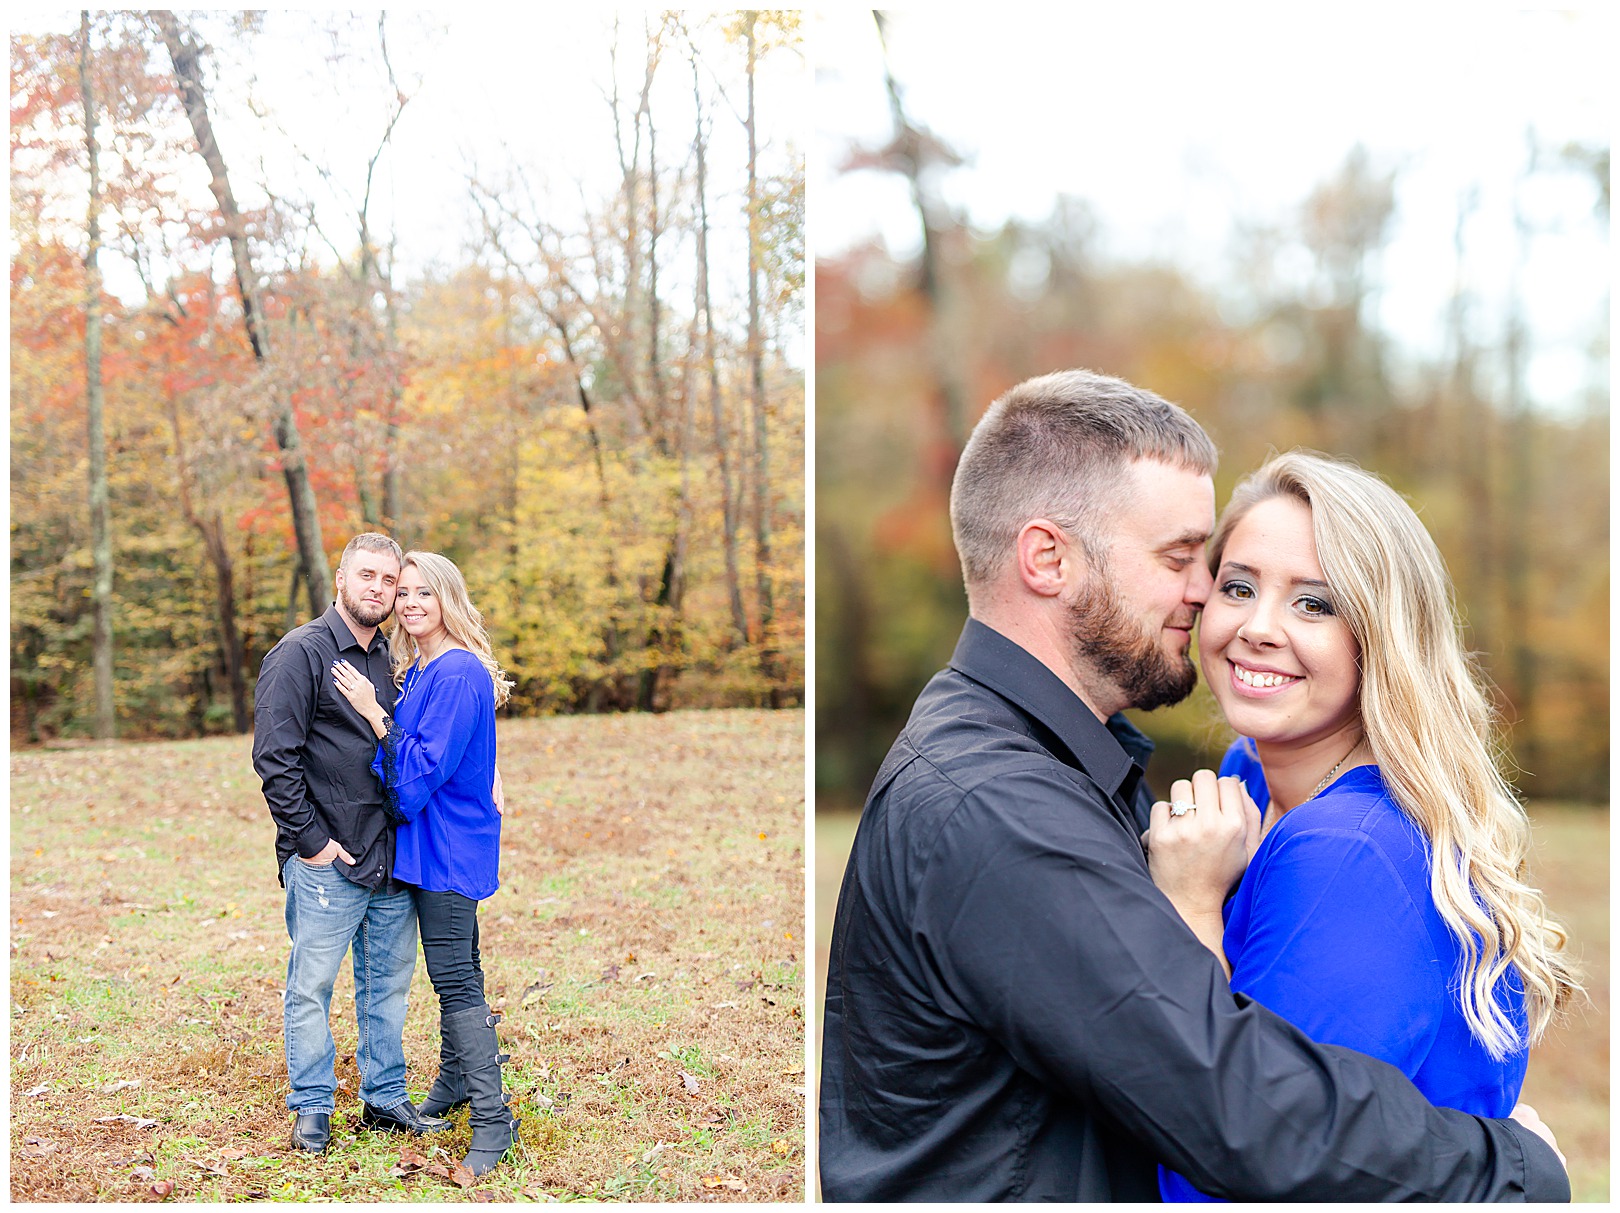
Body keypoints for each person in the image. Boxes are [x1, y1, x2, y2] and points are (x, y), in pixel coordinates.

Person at [818, 369, 1568, 1201]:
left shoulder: (1302, 829)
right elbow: (1239, 1116)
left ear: (1379, 635)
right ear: (1047, 557)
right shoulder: (1008, 808)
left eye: (1314, 602)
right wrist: (1515, 1171)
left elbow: (1243, 1136)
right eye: (1198, 564)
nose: (1214, 599)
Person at [1148, 451, 1578, 1202]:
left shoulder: (1347, 849)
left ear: (1379, 636)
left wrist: (1187, 908)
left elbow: (1224, 1177)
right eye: (1238, 586)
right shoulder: (1250, 773)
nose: (1257, 627)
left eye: (1314, 604)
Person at [253, 533, 450, 1153]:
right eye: (366, 575)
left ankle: (385, 1099)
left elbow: (418, 739)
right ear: (341, 578)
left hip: (390, 854)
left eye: (389, 581)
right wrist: (311, 843)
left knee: (386, 983)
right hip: (328, 860)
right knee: (311, 986)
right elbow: (273, 760)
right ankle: (311, 1106)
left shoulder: (388, 662)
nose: (378, 589)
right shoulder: (300, 654)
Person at [332, 550, 521, 1177]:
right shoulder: (420, 668)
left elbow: (416, 777)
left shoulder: (457, 671)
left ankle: (494, 1121)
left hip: (447, 846)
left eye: (424, 593)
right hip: (427, 844)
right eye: (403, 592)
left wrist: (373, 715)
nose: (410, 603)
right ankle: (455, 1083)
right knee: (460, 965)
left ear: (448, 599)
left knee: (454, 979)